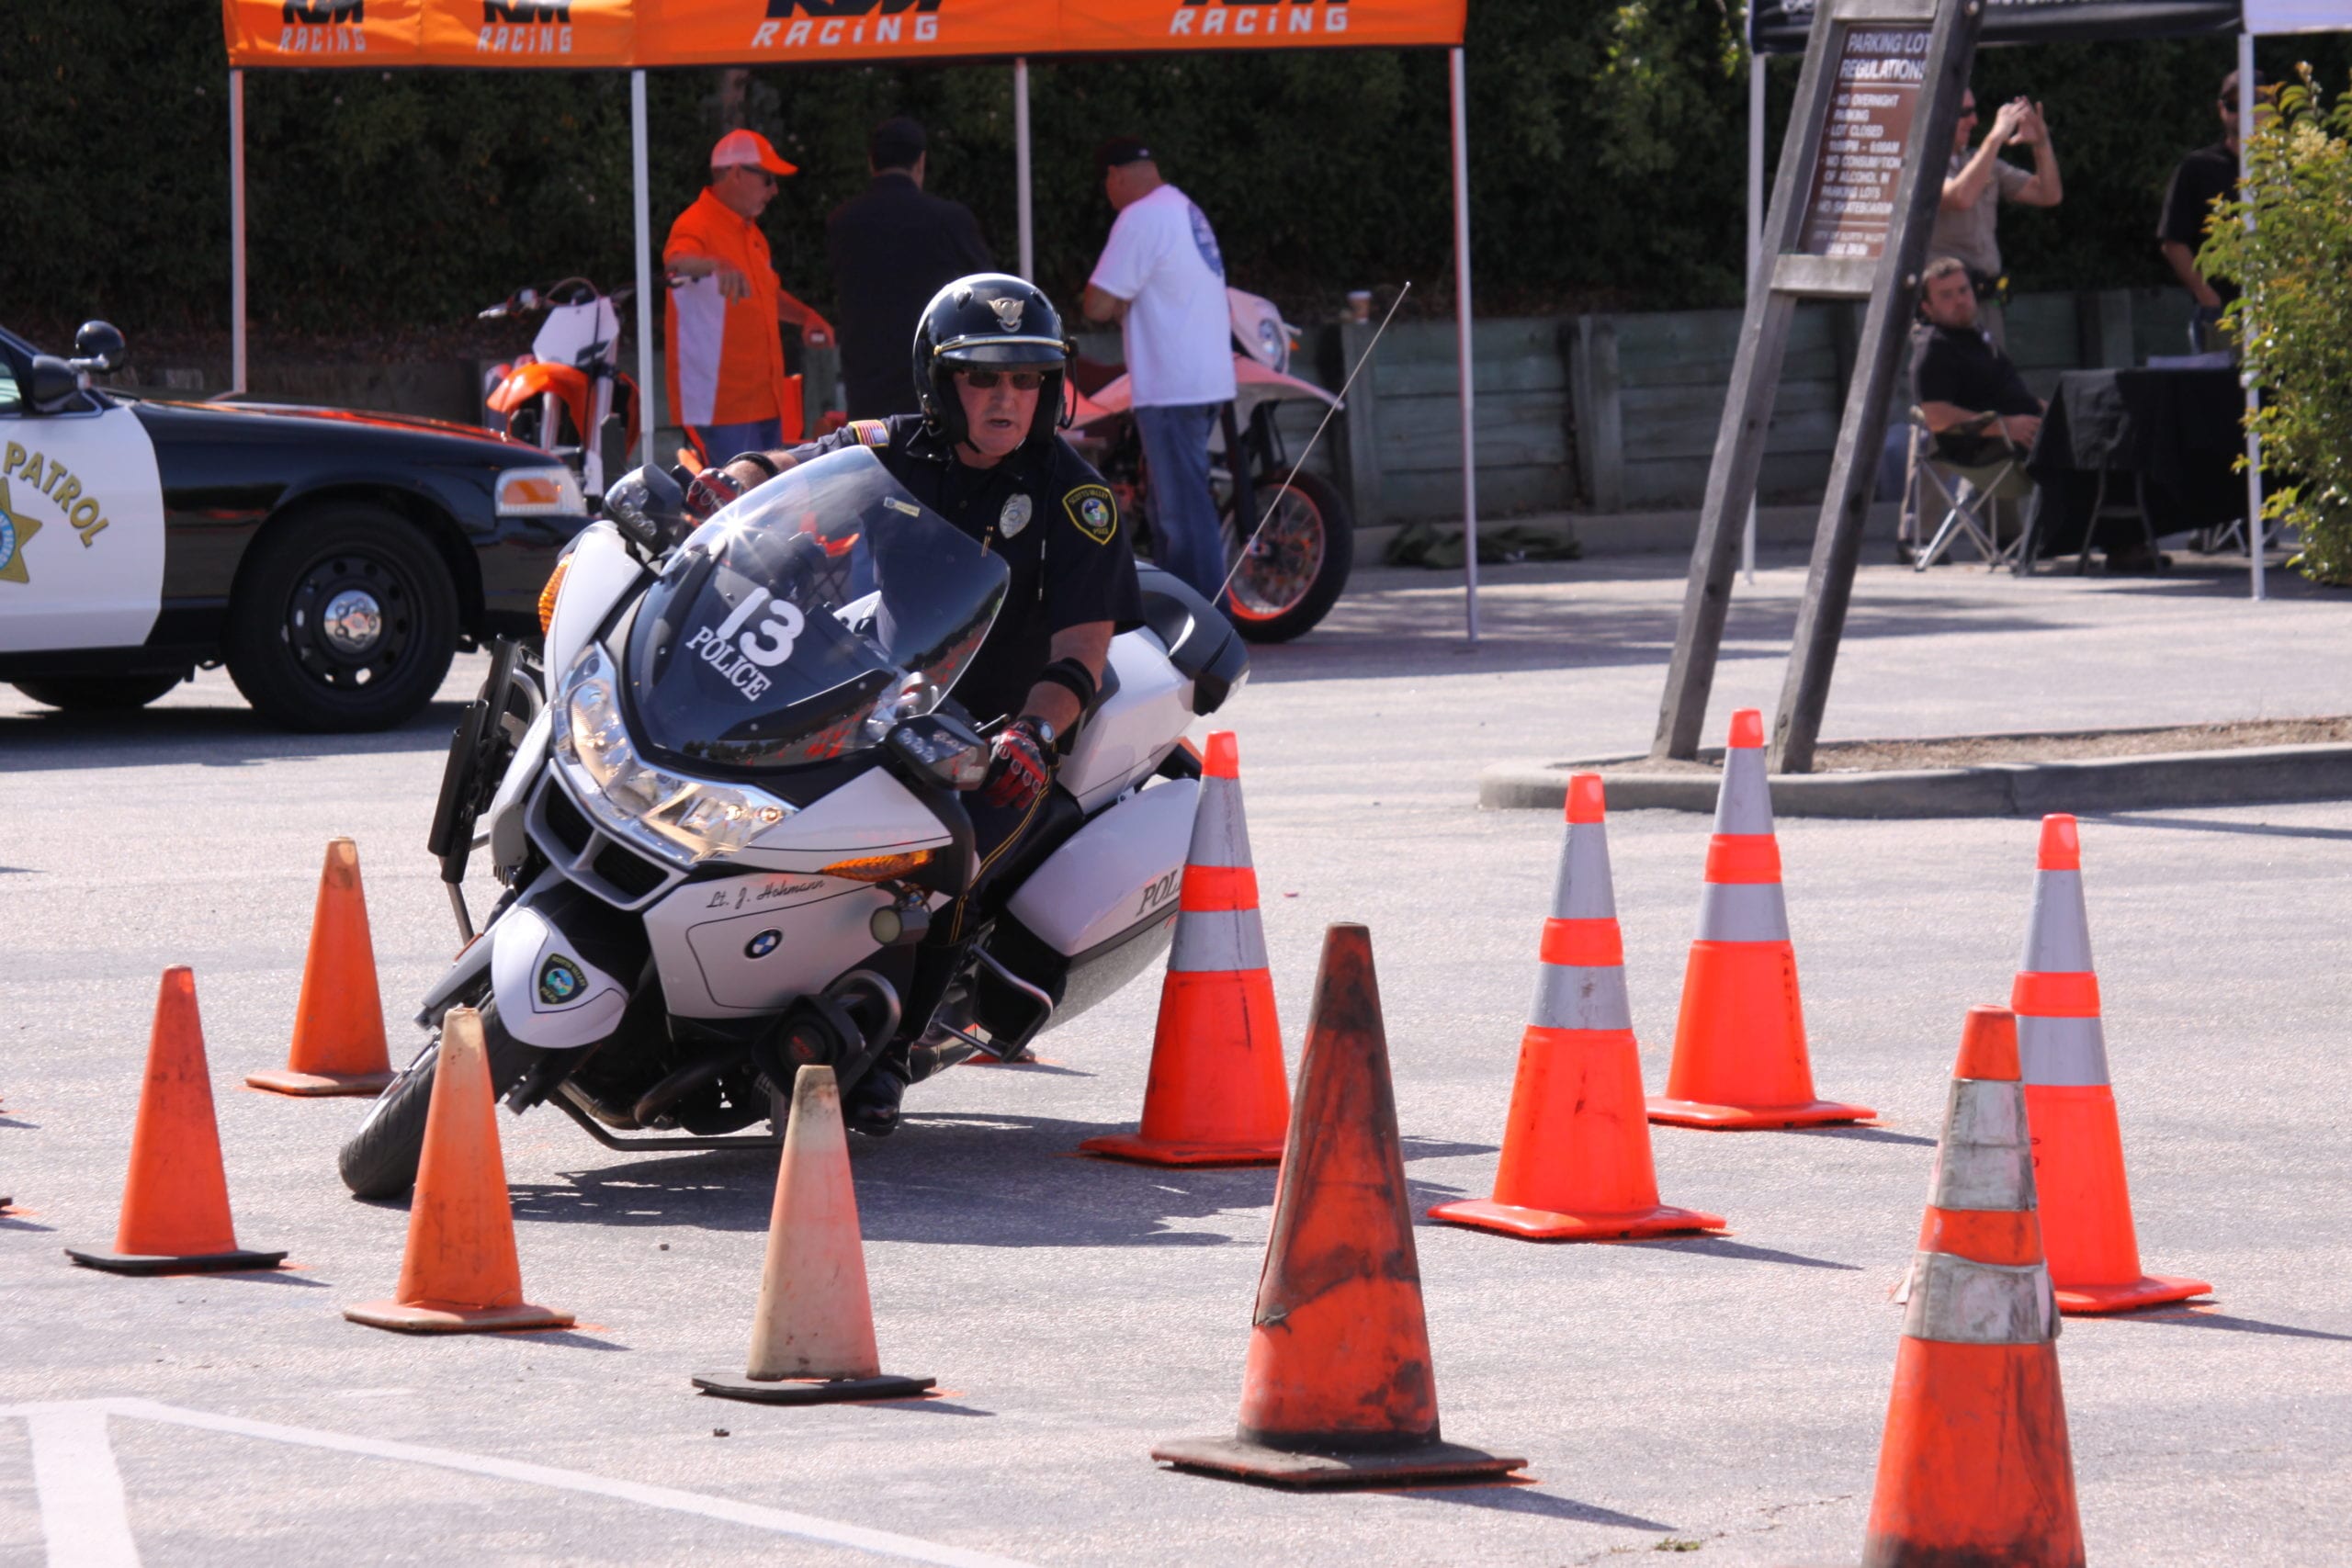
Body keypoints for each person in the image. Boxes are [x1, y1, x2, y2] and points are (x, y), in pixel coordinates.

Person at [692, 275, 1143, 1134]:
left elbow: (1084, 649)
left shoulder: (1075, 497)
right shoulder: (896, 446)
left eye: (1026, 379)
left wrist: (1034, 734)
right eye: (983, 377)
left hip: (996, 731)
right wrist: (732, 478)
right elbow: (796, 464)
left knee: (947, 858)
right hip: (880, 695)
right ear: (942, 382)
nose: (1007, 398)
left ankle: (893, 1049)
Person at [1080, 136, 1237, 605]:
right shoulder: (1184, 209)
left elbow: (1097, 302)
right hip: (1203, 382)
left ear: (1115, 176)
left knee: (1182, 515)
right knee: (1169, 507)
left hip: (1171, 387)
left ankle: (1209, 623)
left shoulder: (1141, 217)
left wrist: (1119, 302)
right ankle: (1171, 615)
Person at [663, 129, 837, 465]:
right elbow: (675, 262)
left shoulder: (751, 233)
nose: (774, 190)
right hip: (724, 404)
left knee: (765, 491)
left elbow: (768, 294)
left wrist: (806, 317)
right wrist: (716, 264)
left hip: (764, 400)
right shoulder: (695, 223)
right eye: (767, 179)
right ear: (736, 173)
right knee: (743, 492)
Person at [825, 117, 993, 420]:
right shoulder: (950, 220)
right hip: (934, 380)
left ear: (871, 162)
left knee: (872, 448)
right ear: (921, 162)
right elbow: (988, 292)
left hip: (865, 384)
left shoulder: (843, 222)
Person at [1930, 89, 2063, 346]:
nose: (1974, 121)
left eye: (1974, 111)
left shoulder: (1980, 161)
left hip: (1987, 303)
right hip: (1946, 309)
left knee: (1993, 369)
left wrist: (2041, 144)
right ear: (1938, 115)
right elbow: (1959, 197)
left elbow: (2049, 194)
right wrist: (1996, 137)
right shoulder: (1921, 165)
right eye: (1964, 113)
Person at [2158, 71, 2260, 355]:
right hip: (2221, 316)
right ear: (2220, 109)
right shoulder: (2198, 168)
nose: (2244, 112)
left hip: (2284, 314)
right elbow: (2173, 241)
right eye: (2234, 104)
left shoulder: (2290, 169)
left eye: (2254, 102)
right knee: (2221, 385)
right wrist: (2207, 296)